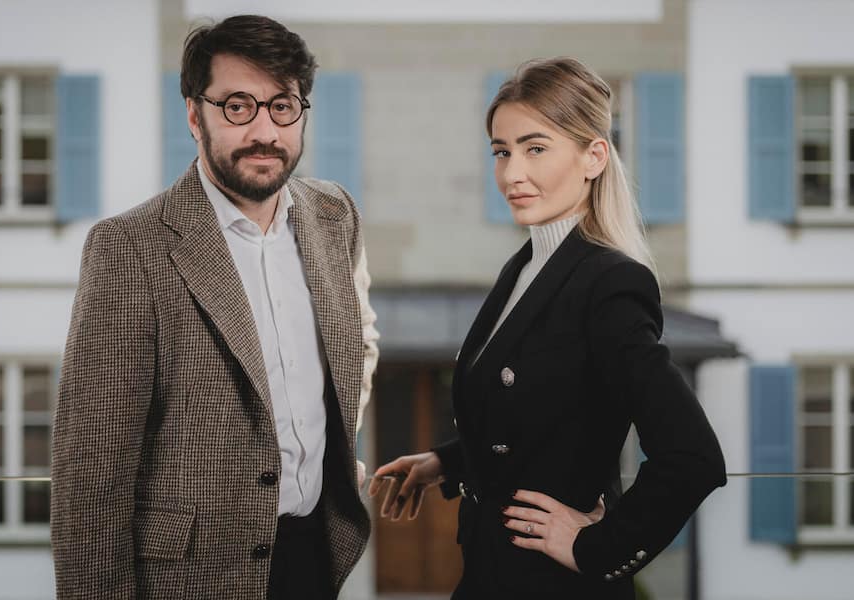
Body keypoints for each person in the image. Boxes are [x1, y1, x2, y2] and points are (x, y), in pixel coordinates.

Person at [370, 57, 725, 598]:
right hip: (488, 576)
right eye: (501, 151)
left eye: (535, 148)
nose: (512, 173)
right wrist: (445, 460)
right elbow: (545, 413)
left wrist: (597, 549)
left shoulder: (611, 283)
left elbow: (692, 457)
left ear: (593, 156)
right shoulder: (525, 267)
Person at [51, 15, 379, 600]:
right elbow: (93, 465)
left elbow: (357, 340)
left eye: (282, 106)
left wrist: (328, 442)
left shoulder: (335, 215)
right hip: (189, 575)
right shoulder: (130, 247)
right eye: (237, 106)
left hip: (315, 555)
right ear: (193, 115)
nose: (265, 131)